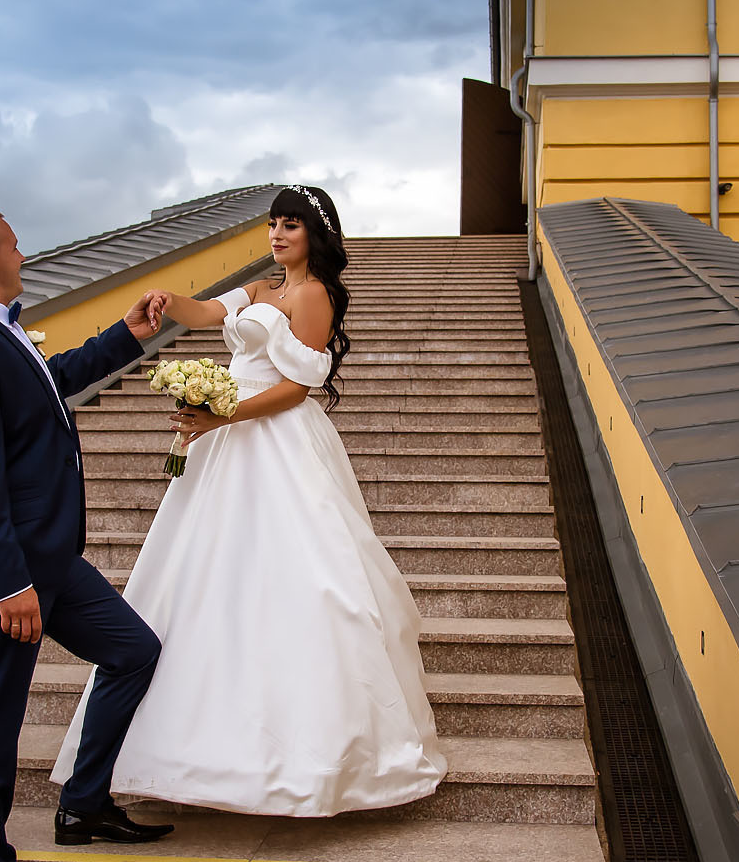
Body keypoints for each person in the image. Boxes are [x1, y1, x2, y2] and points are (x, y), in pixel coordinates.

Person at [50, 185, 444, 817]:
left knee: (307, 580)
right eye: (273, 224)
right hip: (224, 443)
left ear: (315, 233)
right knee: (202, 573)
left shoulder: (316, 295)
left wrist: (223, 412)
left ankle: (309, 755)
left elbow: (296, 387)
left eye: (291, 225)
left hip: (275, 436)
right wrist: (164, 300)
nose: (278, 234)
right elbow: (207, 313)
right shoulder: (260, 290)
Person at [0, 207, 176, 862]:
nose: (22, 250)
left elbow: (52, 381)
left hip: (51, 559)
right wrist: (8, 583)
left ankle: (84, 803)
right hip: (6, 573)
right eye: (13, 243)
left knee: (133, 651)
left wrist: (127, 335)